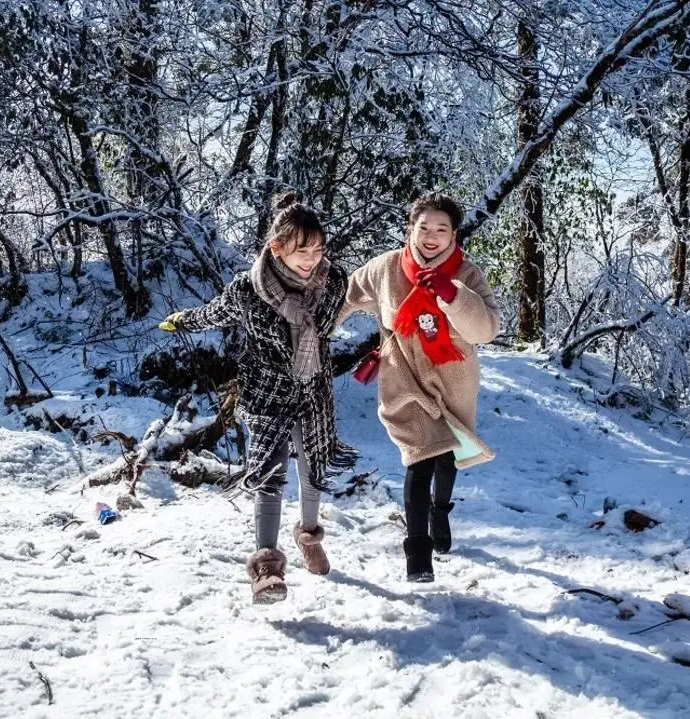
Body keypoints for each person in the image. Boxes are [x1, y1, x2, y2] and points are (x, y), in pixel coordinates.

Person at [159, 193, 352, 603]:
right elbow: (214, 312)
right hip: (267, 392)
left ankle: (310, 536)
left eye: (318, 250)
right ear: (276, 247)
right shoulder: (249, 289)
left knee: (313, 465)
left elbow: (364, 299)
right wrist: (183, 321)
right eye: (302, 250)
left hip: (314, 388)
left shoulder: (333, 283)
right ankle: (267, 565)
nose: (312, 259)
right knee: (271, 471)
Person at [339, 192, 500, 582]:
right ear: (410, 228)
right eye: (423, 227)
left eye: (441, 229)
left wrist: (453, 295)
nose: (431, 236)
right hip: (404, 378)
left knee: (448, 458)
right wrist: (310, 331)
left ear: (453, 235)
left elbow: (487, 330)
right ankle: (418, 556)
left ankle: (440, 511)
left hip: (454, 380)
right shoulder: (386, 268)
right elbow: (344, 297)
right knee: (420, 457)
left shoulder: (468, 274)